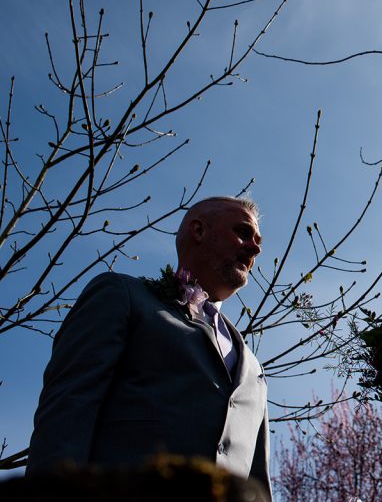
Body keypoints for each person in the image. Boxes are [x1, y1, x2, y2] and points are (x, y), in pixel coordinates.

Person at [26, 196, 273, 499]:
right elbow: (68, 409)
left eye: (258, 240)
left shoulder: (254, 372)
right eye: (243, 232)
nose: (255, 248)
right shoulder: (123, 296)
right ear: (199, 230)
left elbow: (258, 482)